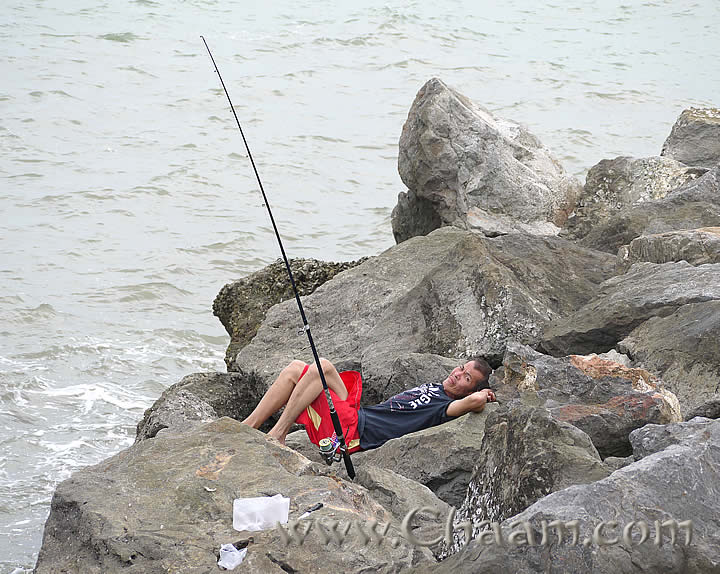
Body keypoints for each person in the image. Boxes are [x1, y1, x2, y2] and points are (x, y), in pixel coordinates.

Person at [241, 357, 495, 452]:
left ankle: (278, 433)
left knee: (324, 367)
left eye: (466, 378)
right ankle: (248, 426)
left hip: (355, 433)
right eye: (461, 368)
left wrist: (483, 394)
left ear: (469, 389)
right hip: (357, 414)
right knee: (297, 368)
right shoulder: (436, 387)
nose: (457, 374)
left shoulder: (445, 408)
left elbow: (474, 402)